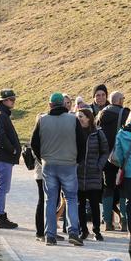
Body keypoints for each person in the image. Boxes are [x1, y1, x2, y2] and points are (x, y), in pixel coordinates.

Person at [30, 92, 86, 246]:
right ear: (63, 104)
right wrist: (77, 161)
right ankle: (73, 232)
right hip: (69, 164)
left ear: (50, 105)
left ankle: (50, 235)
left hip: (49, 164)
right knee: (72, 199)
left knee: (50, 200)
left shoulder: (42, 121)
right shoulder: (73, 120)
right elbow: (82, 143)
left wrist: (42, 158)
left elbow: (33, 143)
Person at [97, 90, 129, 231]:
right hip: (120, 156)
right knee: (123, 188)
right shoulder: (125, 114)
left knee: (108, 187)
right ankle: (124, 221)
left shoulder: (101, 114)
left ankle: (108, 221)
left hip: (105, 156)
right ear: (120, 100)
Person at [77, 108, 110, 240]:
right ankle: (83, 230)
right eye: (78, 116)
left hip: (94, 174)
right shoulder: (75, 132)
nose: (78, 118)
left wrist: (99, 165)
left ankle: (97, 231)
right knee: (80, 204)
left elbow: (105, 151)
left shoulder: (98, 133)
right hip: (79, 174)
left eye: (81, 116)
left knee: (95, 204)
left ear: (88, 118)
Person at [0, 89, 21, 229]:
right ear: (3, 100)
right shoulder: (1, 115)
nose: (13, 102)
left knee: (1, 187)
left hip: (3, 157)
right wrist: (13, 149)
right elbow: (0, 137)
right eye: (11, 100)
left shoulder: (0, 114)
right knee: (2, 188)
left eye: (14, 99)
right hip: (3, 157)